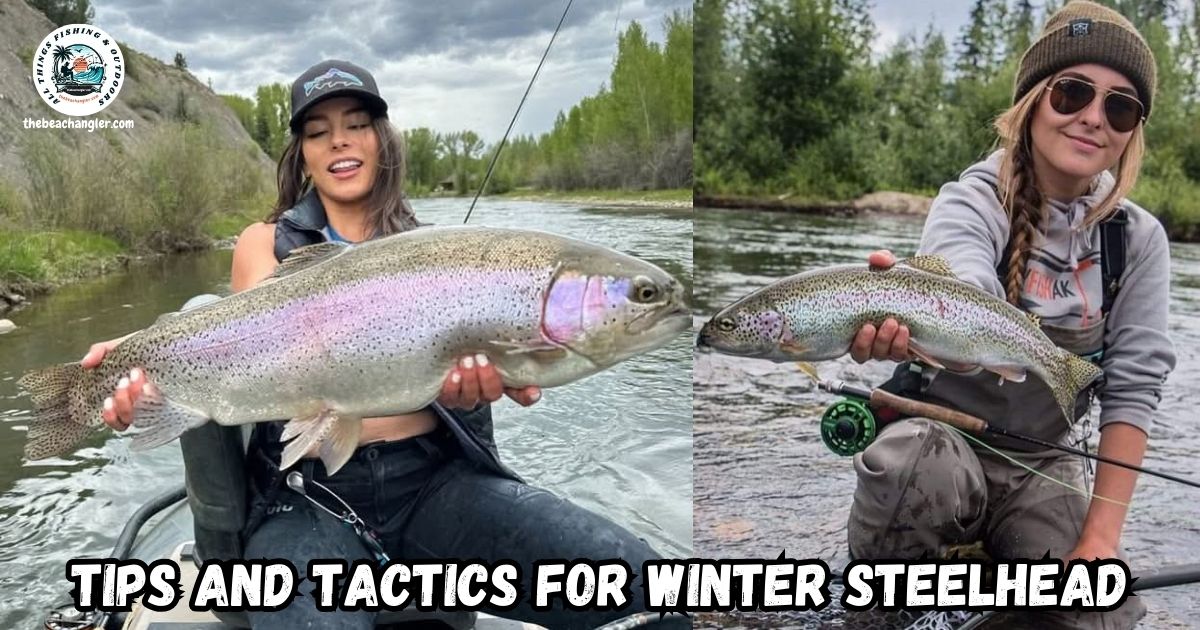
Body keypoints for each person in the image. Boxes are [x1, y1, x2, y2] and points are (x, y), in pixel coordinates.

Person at [80, 59, 680, 629]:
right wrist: (143, 360)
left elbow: (522, 379)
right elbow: (235, 337)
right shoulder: (263, 242)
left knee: (651, 592)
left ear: (381, 140)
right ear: (302, 153)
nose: (339, 141)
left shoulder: (436, 248)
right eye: (319, 132)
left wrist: (493, 386)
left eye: (357, 125)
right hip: (307, 497)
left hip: (438, 485)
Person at [844, 2, 1175, 628]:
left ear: (1132, 130)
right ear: (1032, 101)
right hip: (942, 443)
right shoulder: (971, 200)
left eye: (1120, 107)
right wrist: (912, 310)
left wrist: (1098, 543)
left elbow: (1133, 391)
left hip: (1041, 464)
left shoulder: (1137, 240)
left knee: (1102, 611)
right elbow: (963, 280)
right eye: (1072, 92)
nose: (1092, 117)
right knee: (909, 467)